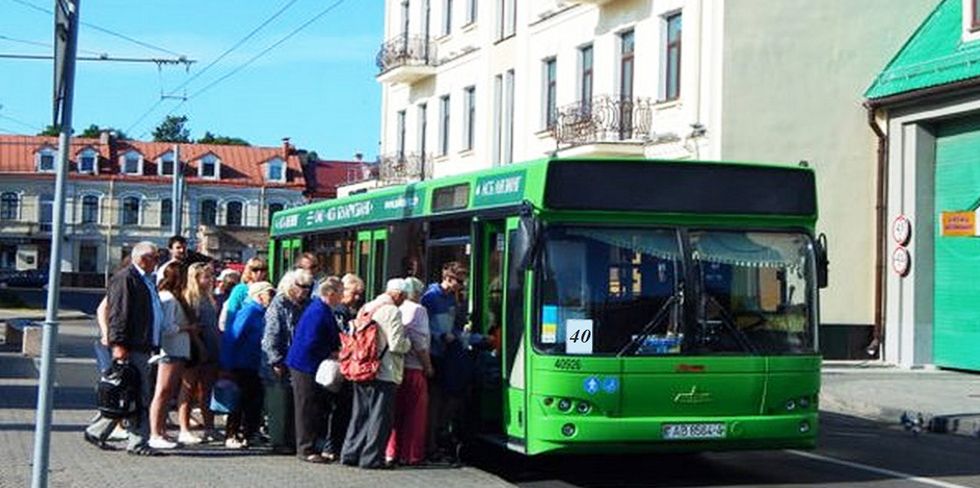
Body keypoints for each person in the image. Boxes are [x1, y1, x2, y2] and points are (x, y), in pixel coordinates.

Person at [84, 241, 163, 456]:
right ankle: (138, 442)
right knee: (136, 394)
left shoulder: (145, 279)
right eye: (155, 257)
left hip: (143, 344)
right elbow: (119, 313)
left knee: (128, 392)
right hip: (131, 346)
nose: (158, 262)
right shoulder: (126, 278)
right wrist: (118, 344)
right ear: (144, 258)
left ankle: (96, 431)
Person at [341, 279, 411, 469]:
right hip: (383, 371)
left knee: (360, 414)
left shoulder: (367, 306)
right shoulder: (392, 311)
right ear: (398, 294)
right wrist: (409, 342)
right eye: (404, 297)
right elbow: (396, 344)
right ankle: (372, 458)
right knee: (380, 417)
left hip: (361, 368)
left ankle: (350, 453)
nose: (403, 301)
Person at [286, 276, 343, 463]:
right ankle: (305, 449)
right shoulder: (319, 311)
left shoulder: (321, 309)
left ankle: (309, 444)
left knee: (312, 405)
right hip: (305, 364)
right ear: (330, 293)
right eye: (340, 292)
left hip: (308, 363)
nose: (342, 296)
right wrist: (331, 352)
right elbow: (311, 341)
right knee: (306, 407)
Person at [261, 269, 313, 453]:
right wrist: (275, 360)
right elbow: (271, 335)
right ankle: (279, 440)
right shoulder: (279, 304)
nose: (306, 290)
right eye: (302, 286)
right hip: (279, 360)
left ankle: (292, 439)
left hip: (297, 361)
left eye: (309, 287)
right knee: (280, 401)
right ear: (291, 285)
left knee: (294, 402)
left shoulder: (307, 304)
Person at [421, 261, 468, 460]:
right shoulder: (430, 297)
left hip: (445, 353)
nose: (462, 286)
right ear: (448, 278)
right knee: (434, 401)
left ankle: (437, 440)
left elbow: (453, 326)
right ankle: (430, 445)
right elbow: (422, 326)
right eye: (459, 281)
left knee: (444, 399)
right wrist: (440, 335)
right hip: (433, 353)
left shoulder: (452, 299)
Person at [221, 281, 275, 449]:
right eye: (270, 293)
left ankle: (249, 433)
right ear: (259, 295)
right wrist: (226, 364)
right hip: (242, 362)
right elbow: (233, 336)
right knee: (239, 399)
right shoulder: (249, 311)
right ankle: (232, 434)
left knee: (254, 399)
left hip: (254, 362)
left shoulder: (262, 312)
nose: (272, 297)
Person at [148, 264, 197, 449]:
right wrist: (187, 328)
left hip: (178, 350)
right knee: (163, 391)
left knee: (168, 393)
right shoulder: (168, 298)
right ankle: (155, 433)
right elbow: (167, 328)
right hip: (170, 350)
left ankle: (161, 431)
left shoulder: (173, 297)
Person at [386, 277, 433, 466]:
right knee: (414, 415)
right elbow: (420, 343)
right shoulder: (418, 310)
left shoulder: (395, 308)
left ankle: (391, 452)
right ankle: (411, 454)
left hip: (395, 368)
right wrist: (428, 367)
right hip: (414, 369)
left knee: (395, 413)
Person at [177, 262, 221, 444]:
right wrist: (199, 346)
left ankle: (209, 427)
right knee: (188, 387)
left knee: (207, 390)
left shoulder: (208, 297)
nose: (211, 280)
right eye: (206, 276)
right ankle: (184, 427)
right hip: (195, 348)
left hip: (212, 346)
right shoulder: (190, 298)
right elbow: (192, 326)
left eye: (211, 276)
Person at [219, 258, 267, 332]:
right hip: (242, 331)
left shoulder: (267, 288)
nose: (259, 273)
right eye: (255, 270)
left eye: (263, 270)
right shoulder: (240, 289)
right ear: (249, 271)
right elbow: (231, 312)